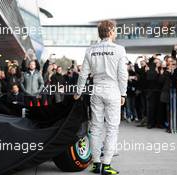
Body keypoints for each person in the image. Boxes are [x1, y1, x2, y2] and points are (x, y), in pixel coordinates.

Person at [74, 20, 128, 175]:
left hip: (96, 90)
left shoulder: (90, 50)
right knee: (112, 128)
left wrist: (78, 91)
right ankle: (106, 165)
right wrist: (123, 93)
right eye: (115, 30)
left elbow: (83, 73)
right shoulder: (119, 50)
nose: (116, 33)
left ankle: (96, 163)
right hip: (113, 90)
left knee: (96, 128)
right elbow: (123, 74)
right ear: (110, 31)